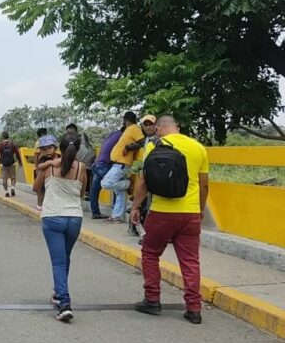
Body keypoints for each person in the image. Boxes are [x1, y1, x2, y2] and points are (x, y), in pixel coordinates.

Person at [132, 116, 209, 325]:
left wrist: (135, 206)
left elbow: (144, 182)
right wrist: (200, 210)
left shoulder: (154, 146)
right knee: (190, 261)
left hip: (161, 212)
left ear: (158, 128)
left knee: (150, 254)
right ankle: (194, 308)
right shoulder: (198, 148)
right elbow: (204, 185)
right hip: (190, 213)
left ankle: (152, 299)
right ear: (178, 127)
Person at [34, 132, 86, 322]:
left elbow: (35, 188)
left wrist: (46, 166)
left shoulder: (50, 168)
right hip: (74, 218)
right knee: (65, 258)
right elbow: (81, 193)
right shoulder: (81, 168)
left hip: (53, 217)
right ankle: (58, 294)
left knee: (58, 261)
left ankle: (64, 303)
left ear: (59, 149)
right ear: (77, 148)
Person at [101, 111, 145, 223]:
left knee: (105, 183)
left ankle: (128, 184)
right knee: (119, 192)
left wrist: (129, 147)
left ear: (125, 120)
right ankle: (117, 216)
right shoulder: (129, 129)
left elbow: (142, 141)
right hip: (119, 163)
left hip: (122, 163)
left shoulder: (134, 128)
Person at [89, 127, 124, 219]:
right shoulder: (122, 136)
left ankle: (95, 213)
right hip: (104, 165)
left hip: (97, 163)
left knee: (95, 190)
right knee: (115, 184)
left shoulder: (113, 134)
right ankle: (116, 213)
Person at [65, 123, 96, 196]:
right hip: (83, 167)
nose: (70, 135)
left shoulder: (78, 142)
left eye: (71, 133)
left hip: (84, 168)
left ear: (75, 131)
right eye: (68, 133)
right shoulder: (74, 142)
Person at [34, 135, 60, 211]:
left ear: (55, 148)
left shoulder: (59, 157)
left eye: (49, 148)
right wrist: (50, 162)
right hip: (44, 180)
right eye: (44, 149)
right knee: (41, 192)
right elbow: (39, 166)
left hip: (55, 181)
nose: (47, 151)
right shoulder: (43, 159)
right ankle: (40, 204)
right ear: (41, 151)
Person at [0, 132, 23, 197]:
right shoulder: (12, 144)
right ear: (8, 137)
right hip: (12, 164)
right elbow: (17, 153)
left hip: (3, 165)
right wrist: (20, 161)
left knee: (4, 179)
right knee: (13, 178)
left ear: (2, 137)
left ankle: (6, 192)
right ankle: (12, 187)